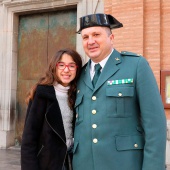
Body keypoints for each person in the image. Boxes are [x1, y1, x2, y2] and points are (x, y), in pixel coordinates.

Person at [73, 13, 167, 170]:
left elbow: (155, 126)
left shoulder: (136, 66)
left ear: (111, 38)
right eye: (85, 37)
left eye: (96, 34)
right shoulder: (79, 75)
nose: (91, 41)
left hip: (124, 164)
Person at [21, 48, 82, 170]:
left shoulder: (79, 93)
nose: (66, 70)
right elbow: (29, 137)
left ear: (77, 68)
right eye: (61, 65)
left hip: (73, 160)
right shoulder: (42, 93)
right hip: (48, 161)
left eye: (71, 66)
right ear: (54, 67)